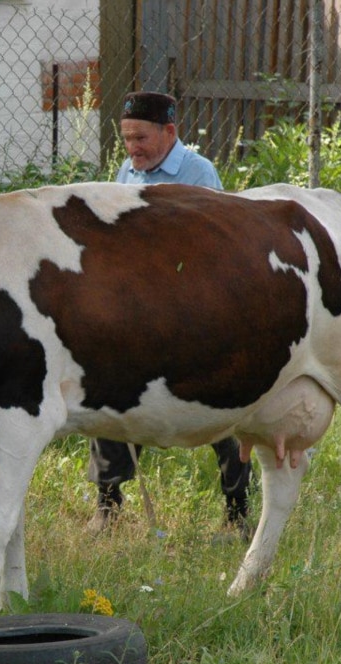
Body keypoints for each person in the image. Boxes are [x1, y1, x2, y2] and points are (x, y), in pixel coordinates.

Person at [85, 91, 253, 538]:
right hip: (140, 308)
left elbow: (215, 247)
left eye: (141, 138)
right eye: (126, 139)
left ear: (170, 132)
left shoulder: (199, 173)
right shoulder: (127, 171)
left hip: (191, 309)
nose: (132, 148)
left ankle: (237, 514)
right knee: (109, 388)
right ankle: (109, 507)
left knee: (219, 401)